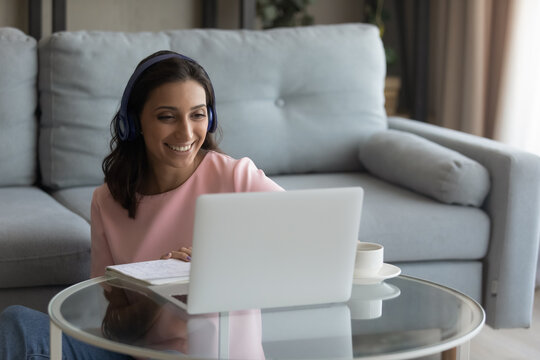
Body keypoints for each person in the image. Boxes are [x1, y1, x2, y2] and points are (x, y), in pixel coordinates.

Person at [0, 50, 282, 359]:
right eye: (167, 116)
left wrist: (223, 260)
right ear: (135, 123)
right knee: (18, 325)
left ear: (210, 118)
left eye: (197, 114)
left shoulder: (236, 178)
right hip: (137, 356)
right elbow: (116, 328)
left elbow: (309, 235)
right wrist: (157, 291)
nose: (186, 133)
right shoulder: (107, 202)